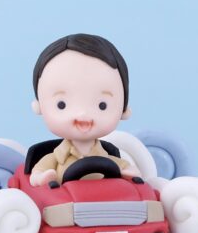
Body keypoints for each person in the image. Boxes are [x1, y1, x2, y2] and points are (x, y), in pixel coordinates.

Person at [29, 34, 140, 186]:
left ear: (124, 110)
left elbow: (123, 167)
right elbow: (38, 172)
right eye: (62, 104)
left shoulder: (106, 157)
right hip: (64, 198)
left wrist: (128, 171)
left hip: (107, 197)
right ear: (39, 106)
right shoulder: (56, 158)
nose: (83, 115)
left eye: (102, 105)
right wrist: (40, 177)